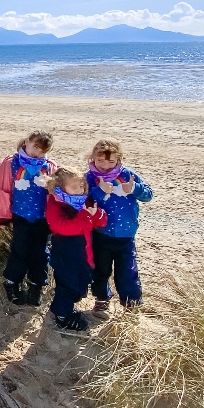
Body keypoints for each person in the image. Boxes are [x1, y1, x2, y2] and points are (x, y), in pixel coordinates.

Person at [86, 139, 154, 315]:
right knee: (101, 269)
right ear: (93, 158)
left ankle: (131, 304)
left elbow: (148, 195)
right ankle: (101, 299)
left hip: (126, 234)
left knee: (127, 271)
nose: (105, 166)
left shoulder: (127, 175)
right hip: (101, 233)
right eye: (100, 160)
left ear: (119, 159)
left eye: (111, 161)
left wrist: (134, 189)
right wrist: (100, 190)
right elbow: (85, 202)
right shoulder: (90, 177)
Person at [46, 168, 107, 333]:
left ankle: (66, 307)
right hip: (65, 253)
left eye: (81, 186)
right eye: (74, 187)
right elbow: (61, 227)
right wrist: (86, 218)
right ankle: (62, 316)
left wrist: (97, 214)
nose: (80, 190)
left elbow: (100, 221)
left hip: (83, 252)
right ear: (60, 187)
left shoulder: (84, 201)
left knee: (80, 283)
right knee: (67, 285)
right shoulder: (56, 203)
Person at [1, 130, 58, 307]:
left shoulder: (49, 166)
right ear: (27, 141)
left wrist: (50, 185)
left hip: (42, 218)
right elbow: (4, 190)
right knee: (19, 251)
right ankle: (12, 283)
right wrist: (3, 218)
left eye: (42, 151)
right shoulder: (13, 163)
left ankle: (36, 285)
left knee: (40, 254)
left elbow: (56, 193)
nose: (37, 153)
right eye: (35, 147)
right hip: (20, 216)